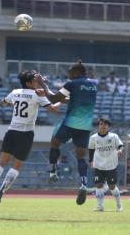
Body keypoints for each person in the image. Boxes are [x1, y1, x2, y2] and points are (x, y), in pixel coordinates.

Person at [0, 71, 60, 205]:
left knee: (1, 162)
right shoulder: (37, 94)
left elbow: (3, 102)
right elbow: (53, 109)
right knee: (17, 165)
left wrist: (10, 103)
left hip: (11, 131)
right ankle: (1, 190)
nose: (37, 82)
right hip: (26, 133)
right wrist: (61, 101)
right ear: (29, 83)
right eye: (35, 81)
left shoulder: (15, 92)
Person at [35, 60, 97, 205]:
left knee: (55, 142)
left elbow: (53, 98)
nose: (69, 75)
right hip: (86, 125)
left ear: (76, 72)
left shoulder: (72, 84)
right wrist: (63, 99)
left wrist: (43, 84)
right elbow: (75, 98)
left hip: (71, 122)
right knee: (81, 156)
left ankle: (52, 171)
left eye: (70, 72)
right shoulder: (93, 84)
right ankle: (83, 184)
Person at [88, 118, 123, 212]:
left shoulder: (114, 136)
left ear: (108, 127)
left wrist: (120, 150)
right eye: (101, 124)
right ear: (98, 126)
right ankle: (100, 206)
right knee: (99, 185)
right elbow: (91, 149)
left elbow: (120, 145)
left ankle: (119, 205)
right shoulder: (93, 138)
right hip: (98, 164)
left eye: (105, 124)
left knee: (112, 186)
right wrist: (90, 160)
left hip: (111, 165)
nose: (103, 126)